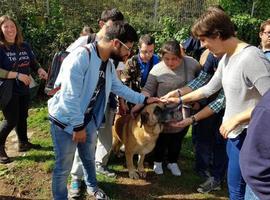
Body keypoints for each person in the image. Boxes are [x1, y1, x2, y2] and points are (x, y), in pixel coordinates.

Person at [162, 10, 270, 200]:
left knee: (244, 190)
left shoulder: (252, 58)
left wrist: (236, 118)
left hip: (249, 135)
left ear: (218, 35)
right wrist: (178, 98)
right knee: (235, 188)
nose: (202, 45)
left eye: (204, 40)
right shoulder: (227, 58)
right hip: (233, 134)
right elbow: (208, 88)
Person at [48, 21, 159, 200]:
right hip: (65, 120)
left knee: (89, 158)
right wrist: (77, 127)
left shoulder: (107, 64)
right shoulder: (80, 57)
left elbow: (119, 88)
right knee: (63, 167)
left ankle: (92, 186)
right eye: (128, 49)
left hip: (87, 119)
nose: (128, 54)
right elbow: (69, 96)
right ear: (116, 43)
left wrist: (145, 99)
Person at [67, 9, 124, 199]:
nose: (117, 28)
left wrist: (122, 100)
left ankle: (95, 173)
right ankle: (76, 178)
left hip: (106, 101)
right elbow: (68, 69)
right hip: (84, 107)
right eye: (113, 24)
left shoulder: (117, 50)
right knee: (82, 141)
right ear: (103, 24)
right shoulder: (85, 44)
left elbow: (118, 79)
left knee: (100, 141)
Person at [132, 39, 200, 176]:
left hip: (184, 108)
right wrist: (137, 104)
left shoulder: (192, 64)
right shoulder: (157, 69)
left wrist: (199, 102)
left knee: (178, 137)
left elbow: (201, 82)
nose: (170, 63)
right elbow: (148, 90)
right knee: (161, 137)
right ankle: (157, 161)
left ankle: (172, 161)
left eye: (174, 59)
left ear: (181, 56)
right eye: (166, 59)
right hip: (162, 110)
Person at [164, 50, 227, 193]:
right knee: (204, 137)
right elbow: (204, 83)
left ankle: (218, 176)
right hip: (210, 104)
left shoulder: (236, 58)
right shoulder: (213, 55)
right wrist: (178, 94)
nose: (203, 46)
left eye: (205, 40)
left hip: (230, 110)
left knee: (221, 142)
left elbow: (220, 102)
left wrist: (190, 118)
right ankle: (205, 171)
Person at [0, 15, 48, 164]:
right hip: (7, 90)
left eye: (12, 26)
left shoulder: (24, 45)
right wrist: (17, 75)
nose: (10, 29)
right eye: (6, 26)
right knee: (11, 119)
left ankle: (23, 142)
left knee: (22, 116)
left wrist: (40, 69)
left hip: (24, 88)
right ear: (1, 29)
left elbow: (33, 62)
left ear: (16, 29)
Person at [119, 34, 160, 114]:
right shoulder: (131, 62)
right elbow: (124, 84)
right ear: (139, 48)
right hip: (134, 101)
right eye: (144, 52)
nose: (148, 55)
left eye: (151, 51)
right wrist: (122, 102)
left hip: (152, 102)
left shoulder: (158, 61)